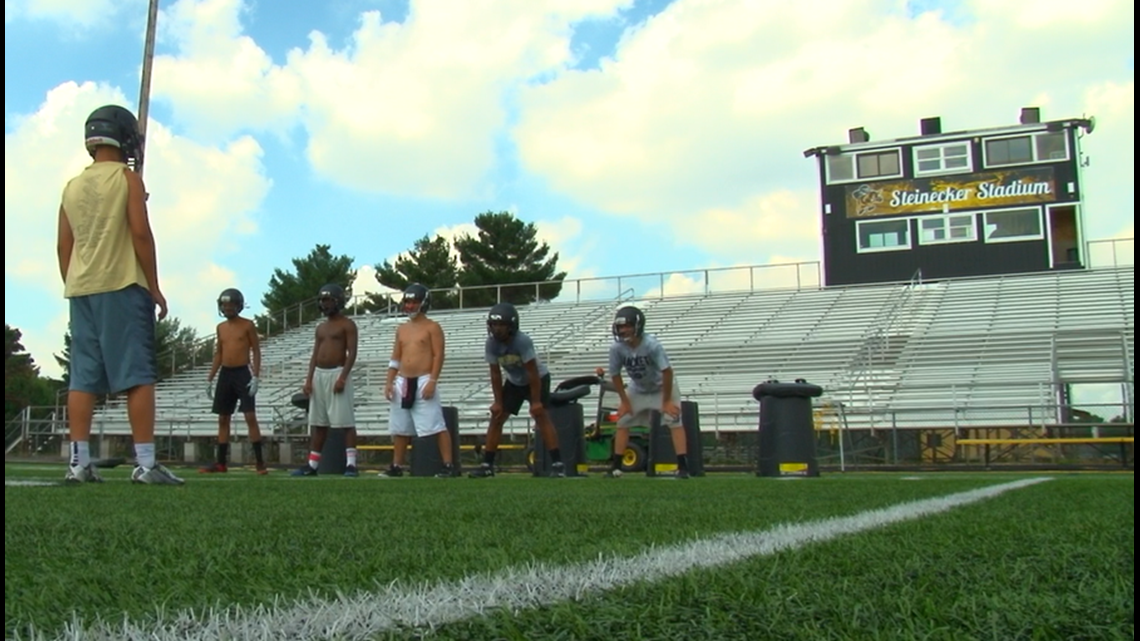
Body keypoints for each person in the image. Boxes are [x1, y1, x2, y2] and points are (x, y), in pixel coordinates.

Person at [56, 104, 183, 485]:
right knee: (137, 375)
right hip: (122, 284)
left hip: (82, 288)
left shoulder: (71, 186)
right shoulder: (127, 179)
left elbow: (64, 246)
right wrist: (155, 285)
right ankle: (145, 463)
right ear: (124, 137)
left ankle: (79, 463)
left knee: (82, 379)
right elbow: (140, 234)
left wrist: (75, 279)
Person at [470, 302, 564, 478]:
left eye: (501, 325)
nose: (497, 330)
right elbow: (495, 374)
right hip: (514, 382)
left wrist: (535, 401)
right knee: (497, 418)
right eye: (494, 325)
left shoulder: (522, 341)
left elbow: (533, 373)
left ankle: (558, 464)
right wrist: (498, 402)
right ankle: (487, 464)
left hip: (537, 379)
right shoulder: (491, 344)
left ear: (512, 326)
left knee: (541, 416)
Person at [378, 283, 456, 478]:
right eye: (407, 302)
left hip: (423, 379)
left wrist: (433, 380)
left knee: (436, 425)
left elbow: (439, 355)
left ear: (423, 303)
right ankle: (396, 466)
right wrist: (389, 381)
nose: (409, 306)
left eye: (414, 302)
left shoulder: (432, 327)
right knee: (401, 428)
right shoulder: (402, 329)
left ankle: (449, 465)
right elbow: (395, 357)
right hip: (403, 381)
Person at [606, 305, 690, 479]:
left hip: (662, 387)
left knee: (674, 421)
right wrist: (624, 400)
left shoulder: (652, 345)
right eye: (620, 327)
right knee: (623, 421)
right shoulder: (616, 348)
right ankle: (615, 467)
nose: (623, 330)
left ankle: (683, 467)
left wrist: (666, 401)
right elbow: (615, 375)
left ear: (638, 326)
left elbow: (667, 372)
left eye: (627, 325)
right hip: (638, 388)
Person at [291, 283, 360, 477]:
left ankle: (352, 464)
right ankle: (313, 465)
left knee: (345, 422)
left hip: (337, 373)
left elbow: (352, 353)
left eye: (328, 300)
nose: (325, 304)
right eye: (322, 300)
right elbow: (315, 355)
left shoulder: (347, 324)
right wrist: (308, 379)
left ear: (338, 301)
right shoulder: (321, 327)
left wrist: (343, 377)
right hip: (319, 375)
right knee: (318, 423)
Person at [201, 288, 267, 474]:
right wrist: (210, 378)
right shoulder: (220, 327)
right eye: (224, 305)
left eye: (231, 304)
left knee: (249, 416)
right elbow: (218, 353)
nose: (227, 308)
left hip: (242, 373)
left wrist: (255, 376)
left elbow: (256, 350)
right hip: (225, 373)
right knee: (223, 418)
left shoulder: (247, 325)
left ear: (238, 306)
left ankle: (260, 463)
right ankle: (221, 463)